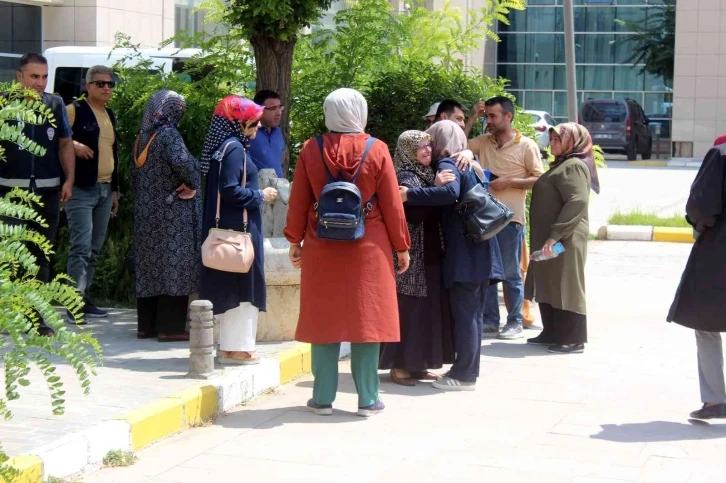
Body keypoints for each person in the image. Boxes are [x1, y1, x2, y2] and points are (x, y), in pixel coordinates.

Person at [284, 88, 411, 417]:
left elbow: (298, 199)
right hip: (370, 246)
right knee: (367, 321)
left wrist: (294, 240)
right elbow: (392, 205)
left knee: (323, 319)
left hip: (321, 245)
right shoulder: (378, 149)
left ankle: (323, 398)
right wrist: (401, 246)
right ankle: (368, 399)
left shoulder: (311, 149)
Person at [400, 120, 504, 391]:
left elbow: (449, 192)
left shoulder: (449, 164)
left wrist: (409, 195)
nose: (430, 147)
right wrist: (471, 153)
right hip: (483, 252)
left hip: (466, 255)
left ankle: (465, 375)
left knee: (466, 315)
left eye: (432, 141)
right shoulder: (472, 163)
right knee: (473, 315)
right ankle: (465, 369)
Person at [0, 53, 75, 337]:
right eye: (34, 76)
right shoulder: (4, 103)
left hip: (48, 191)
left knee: (40, 254)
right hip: (10, 191)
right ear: (19, 76)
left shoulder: (54, 103)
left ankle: (34, 317)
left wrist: (70, 179)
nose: (40, 82)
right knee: (10, 256)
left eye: (44, 77)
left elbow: (66, 143)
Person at [199, 96, 278, 364]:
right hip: (238, 231)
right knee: (243, 286)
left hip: (231, 229)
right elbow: (229, 189)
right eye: (253, 124)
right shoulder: (233, 149)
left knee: (232, 285)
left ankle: (232, 346)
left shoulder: (225, 147)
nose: (257, 129)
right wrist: (260, 194)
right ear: (239, 123)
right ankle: (236, 348)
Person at [379, 130, 455, 386]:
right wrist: (435, 188)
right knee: (409, 311)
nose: (426, 151)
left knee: (427, 311)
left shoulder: (424, 174)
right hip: (411, 256)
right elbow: (413, 214)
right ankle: (400, 366)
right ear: (407, 151)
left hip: (430, 253)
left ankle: (420, 364)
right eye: (420, 147)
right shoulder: (404, 176)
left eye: (428, 146)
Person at [467, 96, 544, 340]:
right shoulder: (484, 142)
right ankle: (490, 320)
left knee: (511, 272)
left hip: (511, 221)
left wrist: (510, 181)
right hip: (484, 219)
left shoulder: (527, 145)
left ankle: (515, 321)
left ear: (508, 117)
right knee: (488, 272)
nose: (489, 121)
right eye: (487, 115)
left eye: (493, 116)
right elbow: (457, 146)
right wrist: (473, 118)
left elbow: (539, 179)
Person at [132, 89, 202, 342]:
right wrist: (193, 183)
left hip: (147, 213)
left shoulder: (142, 137)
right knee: (174, 265)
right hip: (172, 213)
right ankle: (170, 328)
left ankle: (147, 326)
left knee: (150, 267)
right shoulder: (169, 134)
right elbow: (181, 162)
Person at [667, 134, 726, 420]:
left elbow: (701, 205)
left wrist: (699, 224)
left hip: (719, 253)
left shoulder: (721, 153)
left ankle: (716, 400)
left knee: (707, 323)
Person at [525, 123, 596, 354]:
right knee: (549, 282)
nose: (552, 142)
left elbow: (577, 201)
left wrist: (555, 235)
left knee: (567, 285)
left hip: (565, 238)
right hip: (551, 238)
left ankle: (573, 338)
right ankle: (553, 331)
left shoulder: (573, 166)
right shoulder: (561, 164)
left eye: (557, 139)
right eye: (552, 138)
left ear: (572, 142)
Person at [64, 65, 119, 323]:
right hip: (81, 190)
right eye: (100, 83)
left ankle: (83, 299)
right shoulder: (74, 110)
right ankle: (73, 303)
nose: (106, 87)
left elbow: (114, 154)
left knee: (94, 249)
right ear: (88, 86)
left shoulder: (110, 114)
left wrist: (115, 191)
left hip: (105, 190)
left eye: (110, 84)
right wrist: (73, 144)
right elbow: (53, 138)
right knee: (81, 248)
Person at [248, 89, 285, 178]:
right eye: (273, 109)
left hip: (278, 188)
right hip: (257, 190)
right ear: (259, 110)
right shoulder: (250, 132)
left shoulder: (278, 133)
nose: (278, 113)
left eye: (279, 107)